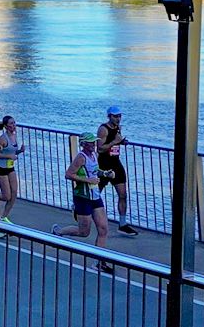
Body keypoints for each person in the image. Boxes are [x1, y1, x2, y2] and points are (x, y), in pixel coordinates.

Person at [53, 133, 114, 273]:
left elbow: (94, 171)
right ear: (84, 144)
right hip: (83, 197)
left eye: (94, 142)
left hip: (95, 196)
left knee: (103, 229)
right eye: (91, 143)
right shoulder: (80, 157)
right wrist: (88, 181)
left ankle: (99, 262)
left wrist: (105, 174)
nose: (93, 145)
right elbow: (68, 174)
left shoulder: (94, 155)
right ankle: (59, 232)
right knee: (84, 232)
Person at [97, 106, 139, 236]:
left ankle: (122, 224)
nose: (118, 118)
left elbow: (115, 143)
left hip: (116, 163)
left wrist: (121, 142)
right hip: (103, 165)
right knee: (95, 193)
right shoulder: (103, 129)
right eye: (115, 116)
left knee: (123, 195)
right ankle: (80, 209)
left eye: (119, 116)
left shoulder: (118, 128)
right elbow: (100, 149)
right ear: (109, 116)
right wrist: (114, 141)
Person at [0, 115, 25, 224]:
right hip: (1, 168)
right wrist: (8, 157)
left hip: (10, 168)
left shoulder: (15, 136)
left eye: (14, 123)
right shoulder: (3, 138)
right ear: (6, 126)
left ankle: (3, 217)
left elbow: (11, 152)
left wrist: (19, 151)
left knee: (14, 194)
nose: (14, 126)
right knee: (6, 196)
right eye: (11, 124)